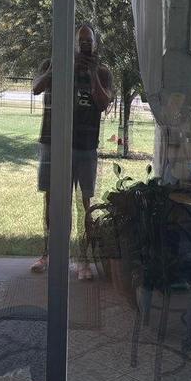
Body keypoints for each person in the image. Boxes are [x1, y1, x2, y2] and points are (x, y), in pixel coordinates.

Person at [31, 24, 113, 280]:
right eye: (80, 42)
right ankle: (49, 254)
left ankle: (84, 260)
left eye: (88, 41)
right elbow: (36, 88)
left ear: (95, 44)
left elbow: (103, 102)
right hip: (53, 143)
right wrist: (60, 66)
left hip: (85, 146)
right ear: (72, 44)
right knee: (53, 201)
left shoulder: (101, 71)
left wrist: (91, 74)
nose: (84, 46)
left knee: (85, 203)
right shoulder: (52, 63)